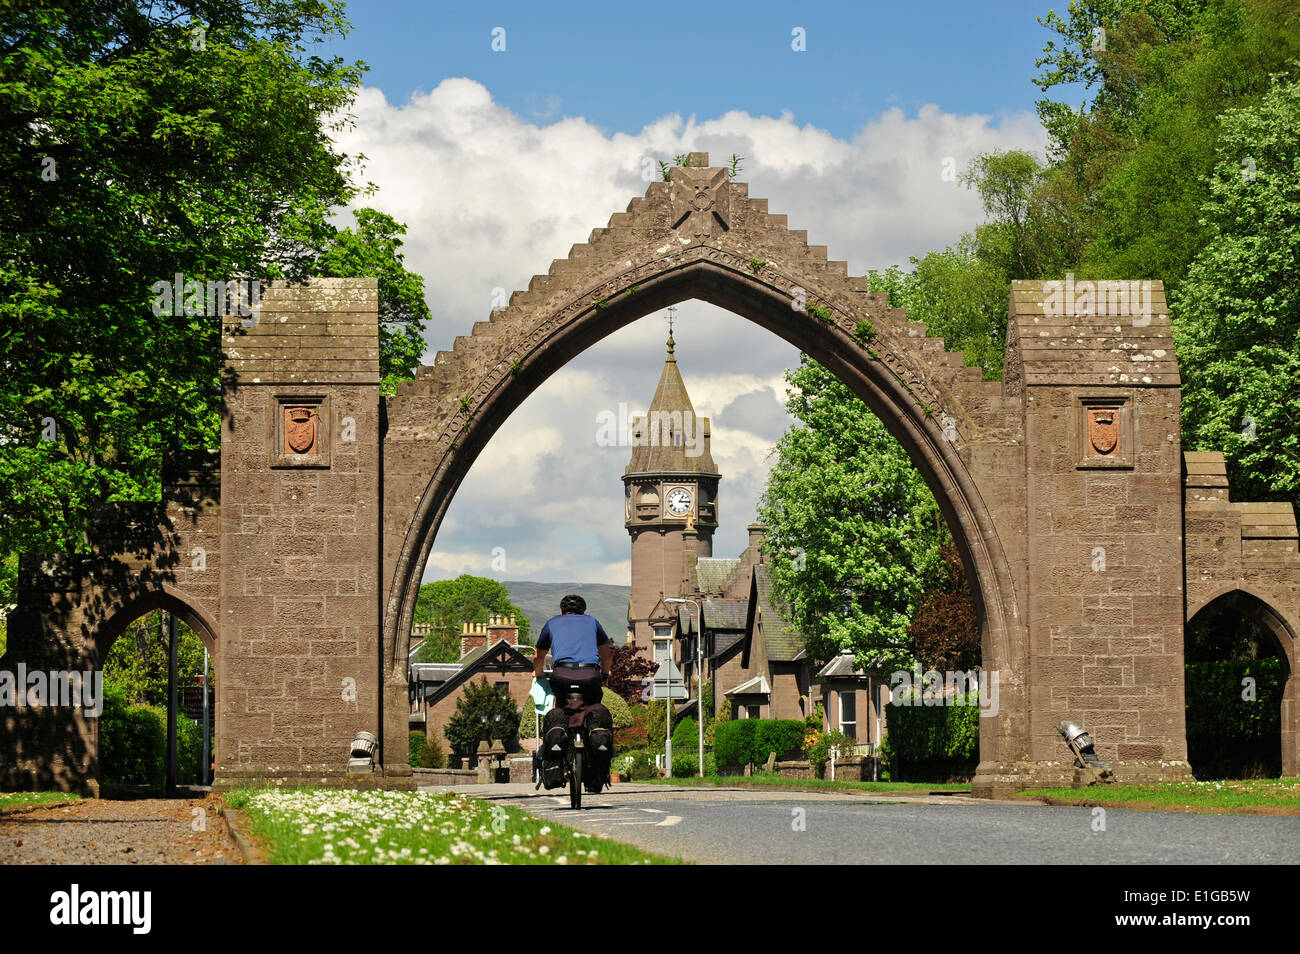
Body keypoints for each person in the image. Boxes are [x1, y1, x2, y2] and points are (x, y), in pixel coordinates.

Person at [534, 594, 615, 792]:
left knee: (560, 709)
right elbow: (606, 651)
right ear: (583, 612)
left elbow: (539, 654)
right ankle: (594, 757)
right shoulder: (593, 623)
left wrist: (538, 673)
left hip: (562, 674)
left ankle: (557, 756)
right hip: (590, 675)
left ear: (561, 612)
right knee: (594, 708)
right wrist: (606, 671)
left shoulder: (553, 623)